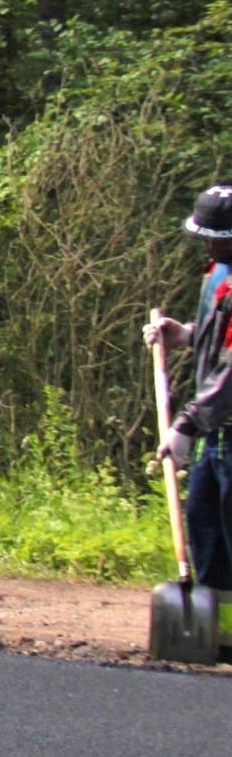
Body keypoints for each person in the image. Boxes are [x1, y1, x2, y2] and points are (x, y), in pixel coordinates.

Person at [144, 184, 232, 600]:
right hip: (215, 430)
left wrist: (186, 424)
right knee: (204, 524)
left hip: (220, 421)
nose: (206, 246)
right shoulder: (218, 274)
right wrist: (183, 334)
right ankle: (216, 631)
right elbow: (220, 341)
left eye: (214, 239)